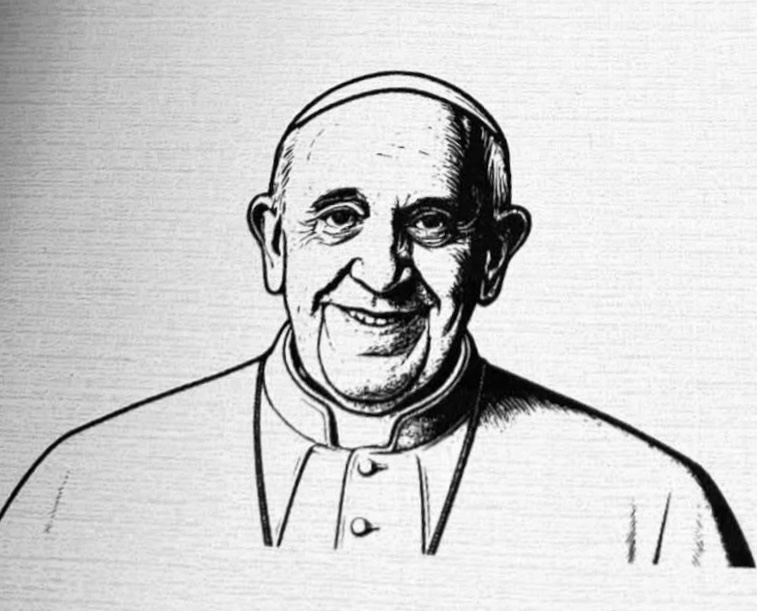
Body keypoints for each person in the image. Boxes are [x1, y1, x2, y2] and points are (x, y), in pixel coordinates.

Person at [0, 72, 752, 567]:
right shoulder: (82, 484)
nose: (383, 270)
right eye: (338, 217)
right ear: (274, 243)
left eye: (430, 222)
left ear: (493, 255)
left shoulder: (653, 507)